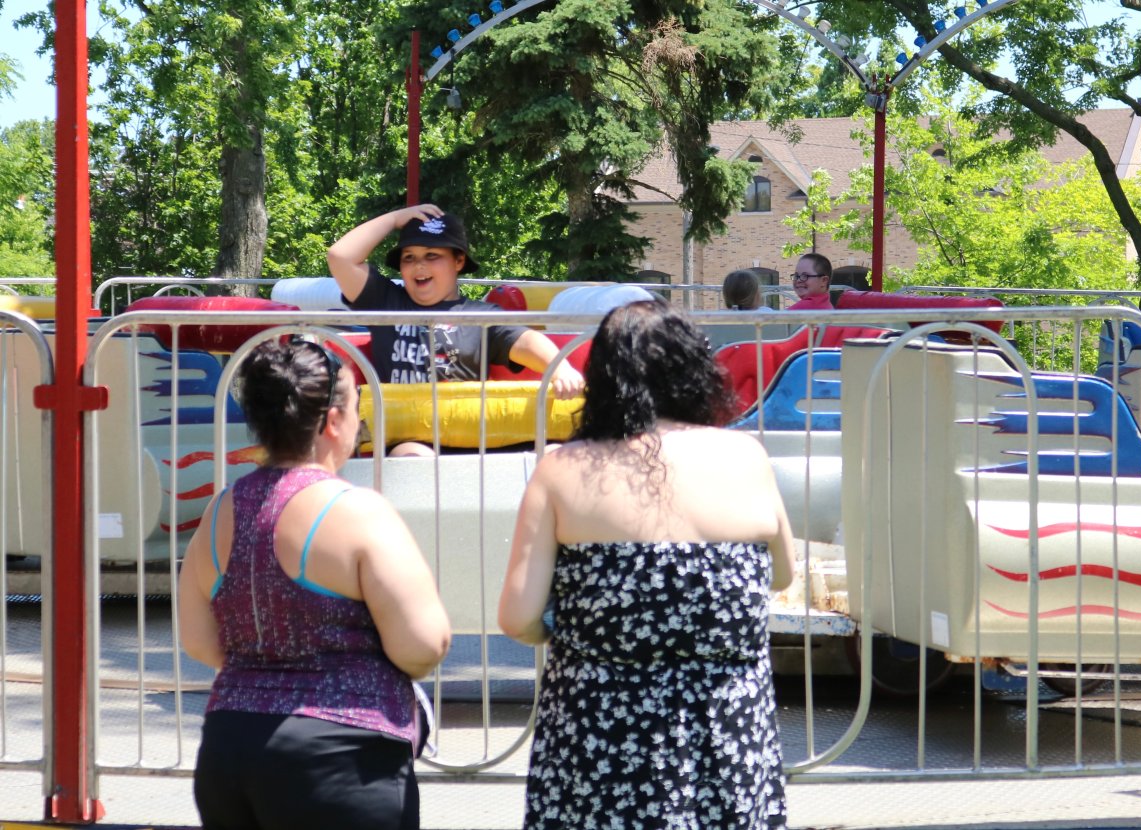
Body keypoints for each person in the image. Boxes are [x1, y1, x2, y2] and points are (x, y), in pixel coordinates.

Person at [498, 300, 795, 829]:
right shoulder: (747, 456)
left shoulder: (562, 470)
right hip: (726, 735)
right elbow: (781, 576)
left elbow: (517, 617)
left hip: (599, 737)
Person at [179, 337, 452, 830]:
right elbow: (423, 644)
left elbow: (198, 640)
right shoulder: (357, 511)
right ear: (331, 421)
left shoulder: (218, 512)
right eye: (357, 409)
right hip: (340, 755)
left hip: (229, 747)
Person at [327, 204, 585, 455]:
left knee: (555, 453)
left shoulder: (481, 316)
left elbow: (526, 341)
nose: (419, 266)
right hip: (410, 436)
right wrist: (395, 219)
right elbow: (340, 256)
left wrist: (560, 369)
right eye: (409, 258)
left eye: (432, 256)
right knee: (413, 456)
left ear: (458, 261)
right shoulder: (385, 301)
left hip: (472, 435)